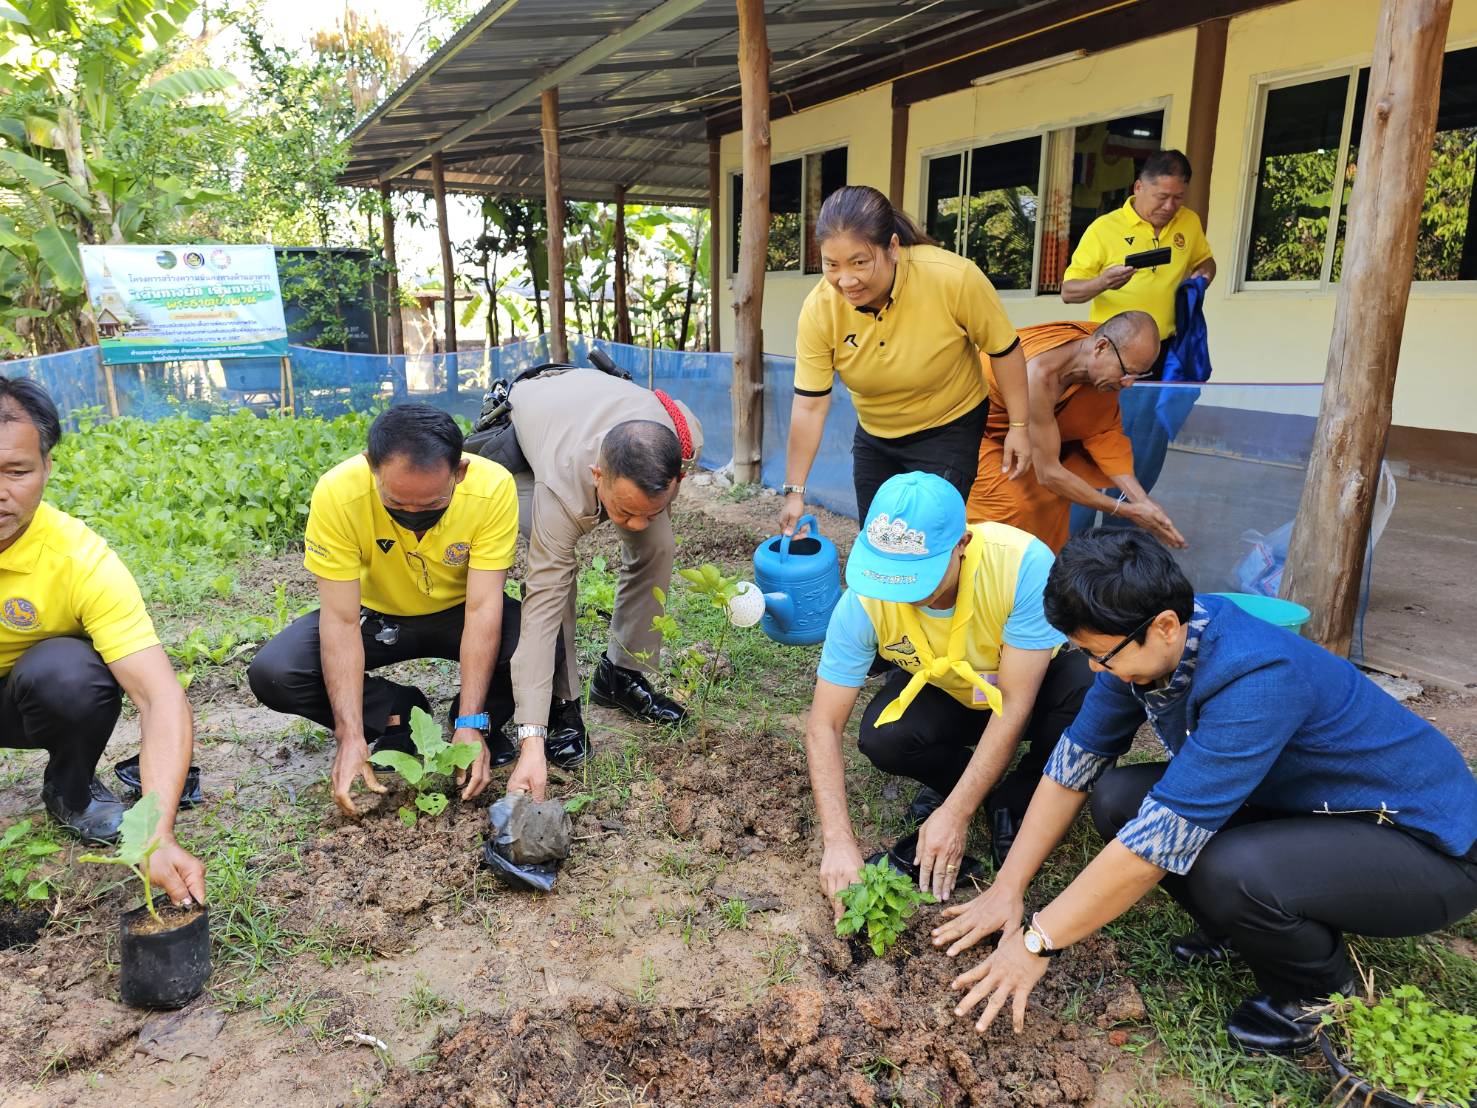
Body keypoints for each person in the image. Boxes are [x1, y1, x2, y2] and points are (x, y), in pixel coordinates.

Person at [931, 531, 1477, 1055]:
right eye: (1086, 653)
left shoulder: (1257, 676)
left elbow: (1157, 847)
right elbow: (1072, 767)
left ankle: (1316, 996)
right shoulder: (1145, 645)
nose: (1098, 669)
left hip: (1421, 846)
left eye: (1103, 655)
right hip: (1309, 808)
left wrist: (1037, 942)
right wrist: (1008, 887)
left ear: (1165, 625)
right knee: (1119, 797)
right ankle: (1240, 926)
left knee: (1232, 870)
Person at [802, 472, 1091, 912]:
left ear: (963, 544)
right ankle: (971, 788)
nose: (902, 593)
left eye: (918, 577)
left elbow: (1013, 703)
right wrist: (838, 841)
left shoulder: (1022, 565)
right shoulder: (863, 599)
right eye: (891, 575)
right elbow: (824, 724)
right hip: (946, 689)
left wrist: (956, 816)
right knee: (885, 736)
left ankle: (1021, 793)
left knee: (1086, 691)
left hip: (1023, 688)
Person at [249, 404, 538, 818]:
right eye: (397, 502)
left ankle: (473, 725)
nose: (414, 517)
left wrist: (471, 722)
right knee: (276, 672)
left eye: (434, 503)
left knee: (539, 640)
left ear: (460, 473)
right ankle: (396, 714)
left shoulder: (491, 487)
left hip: (460, 611)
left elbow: (482, 607)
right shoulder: (338, 493)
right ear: (371, 467)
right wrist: (349, 735)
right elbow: (341, 621)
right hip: (376, 617)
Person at [0, 377, 203, 904]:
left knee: (71, 674)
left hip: (18, 700)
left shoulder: (80, 560)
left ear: (46, 467)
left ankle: (70, 789)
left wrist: (156, 833)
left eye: (16, 471)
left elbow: (160, 697)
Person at [500, 366, 702, 803]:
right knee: (557, 584)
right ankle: (561, 706)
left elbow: (645, 511)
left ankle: (620, 676)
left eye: (649, 507)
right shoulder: (566, 484)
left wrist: (644, 515)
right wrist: (530, 735)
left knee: (658, 543)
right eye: (623, 510)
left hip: (592, 414)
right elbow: (539, 610)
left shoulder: (684, 440)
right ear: (598, 476)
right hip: (528, 438)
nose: (632, 523)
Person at [780, 185, 1030, 534]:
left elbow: (1004, 349)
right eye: (831, 265)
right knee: (878, 534)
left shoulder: (953, 279)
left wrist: (1020, 426)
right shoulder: (820, 309)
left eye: (860, 262)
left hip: (949, 424)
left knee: (927, 536)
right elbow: (809, 405)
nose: (846, 280)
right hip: (876, 433)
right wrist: (795, 491)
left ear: (893, 248)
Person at [1060, 150, 1215, 500]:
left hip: (1164, 356)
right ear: (1139, 187)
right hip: (1110, 356)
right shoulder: (1105, 229)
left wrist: (1203, 277)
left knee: (1148, 443)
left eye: (1178, 197)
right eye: (1162, 196)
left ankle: (1128, 527)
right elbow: (1069, 291)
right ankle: (1080, 533)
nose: (1169, 206)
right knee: (1100, 438)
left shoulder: (1188, 222)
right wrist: (1102, 282)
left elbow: (1205, 260)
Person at [967, 312, 1185, 552]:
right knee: (1014, 504)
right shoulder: (1036, 375)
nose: (1129, 383)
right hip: (976, 432)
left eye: (1137, 375)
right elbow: (1049, 473)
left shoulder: (1101, 362)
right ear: (1100, 347)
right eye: (1126, 372)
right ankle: (995, 575)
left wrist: (1143, 502)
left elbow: (1103, 434)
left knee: (1054, 499)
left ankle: (1043, 575)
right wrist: (1126, 510)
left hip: (1028, 438)